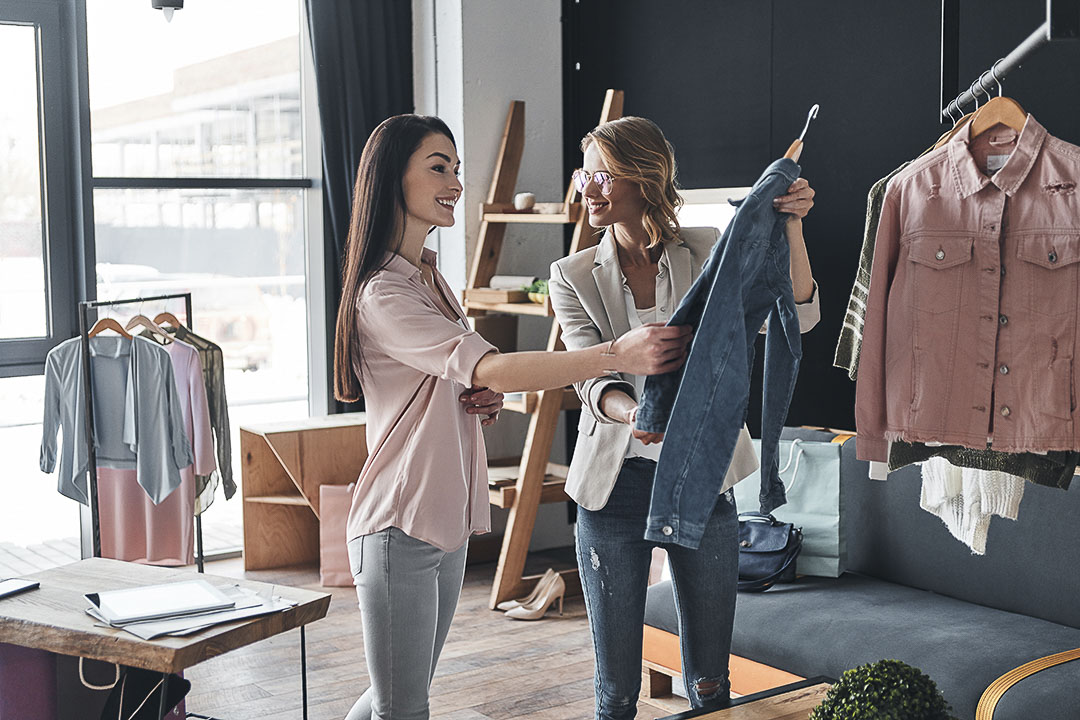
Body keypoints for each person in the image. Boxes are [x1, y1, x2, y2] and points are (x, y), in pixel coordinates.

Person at [333, 114, 693, 720]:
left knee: (393, 697)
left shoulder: (429, 277)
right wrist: (613, 354)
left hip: (439, 521)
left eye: (456, 167)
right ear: (392, 177)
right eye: (438, 167)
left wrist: (475, 395)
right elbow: (489, 365)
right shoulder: (383, 292)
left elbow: (460, 377)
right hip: (397, 523)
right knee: (403, 706)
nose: (455, 181)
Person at [548, 116, 820, 718]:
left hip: (704, 482)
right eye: (582, 173)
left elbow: (796, 314)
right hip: (611, 490)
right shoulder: (570, 276)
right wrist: (638, 413)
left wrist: (791, 227)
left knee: (711, 681)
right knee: (616, 691)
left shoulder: (707, 249)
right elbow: (590, 376)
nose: (585, 189)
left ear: (644, 178)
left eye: (600, 175)